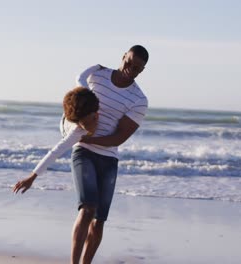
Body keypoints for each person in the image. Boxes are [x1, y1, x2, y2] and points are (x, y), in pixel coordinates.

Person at [16, 45, 149, 264]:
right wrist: (33, 175)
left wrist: (90, 138)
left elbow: (119, 138)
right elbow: (57, 149)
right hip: (83, 153)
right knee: (88, 209)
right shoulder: (98, 76)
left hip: (108, 157)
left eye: (137, 68)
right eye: (129, 62)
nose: (130, 69)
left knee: (99, 221)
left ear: (142, 70)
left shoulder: (139, 100)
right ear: (123, 56)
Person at [13, 87, 100, 195]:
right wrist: (32, 177)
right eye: (86, 124)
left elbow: (80, 78)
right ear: (79, 124)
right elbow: (54, 152)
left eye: (94, 119)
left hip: (75, 111)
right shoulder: (75, 134)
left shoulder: (93, 105)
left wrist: (99, 68)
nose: (94, 123)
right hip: (65, 126)